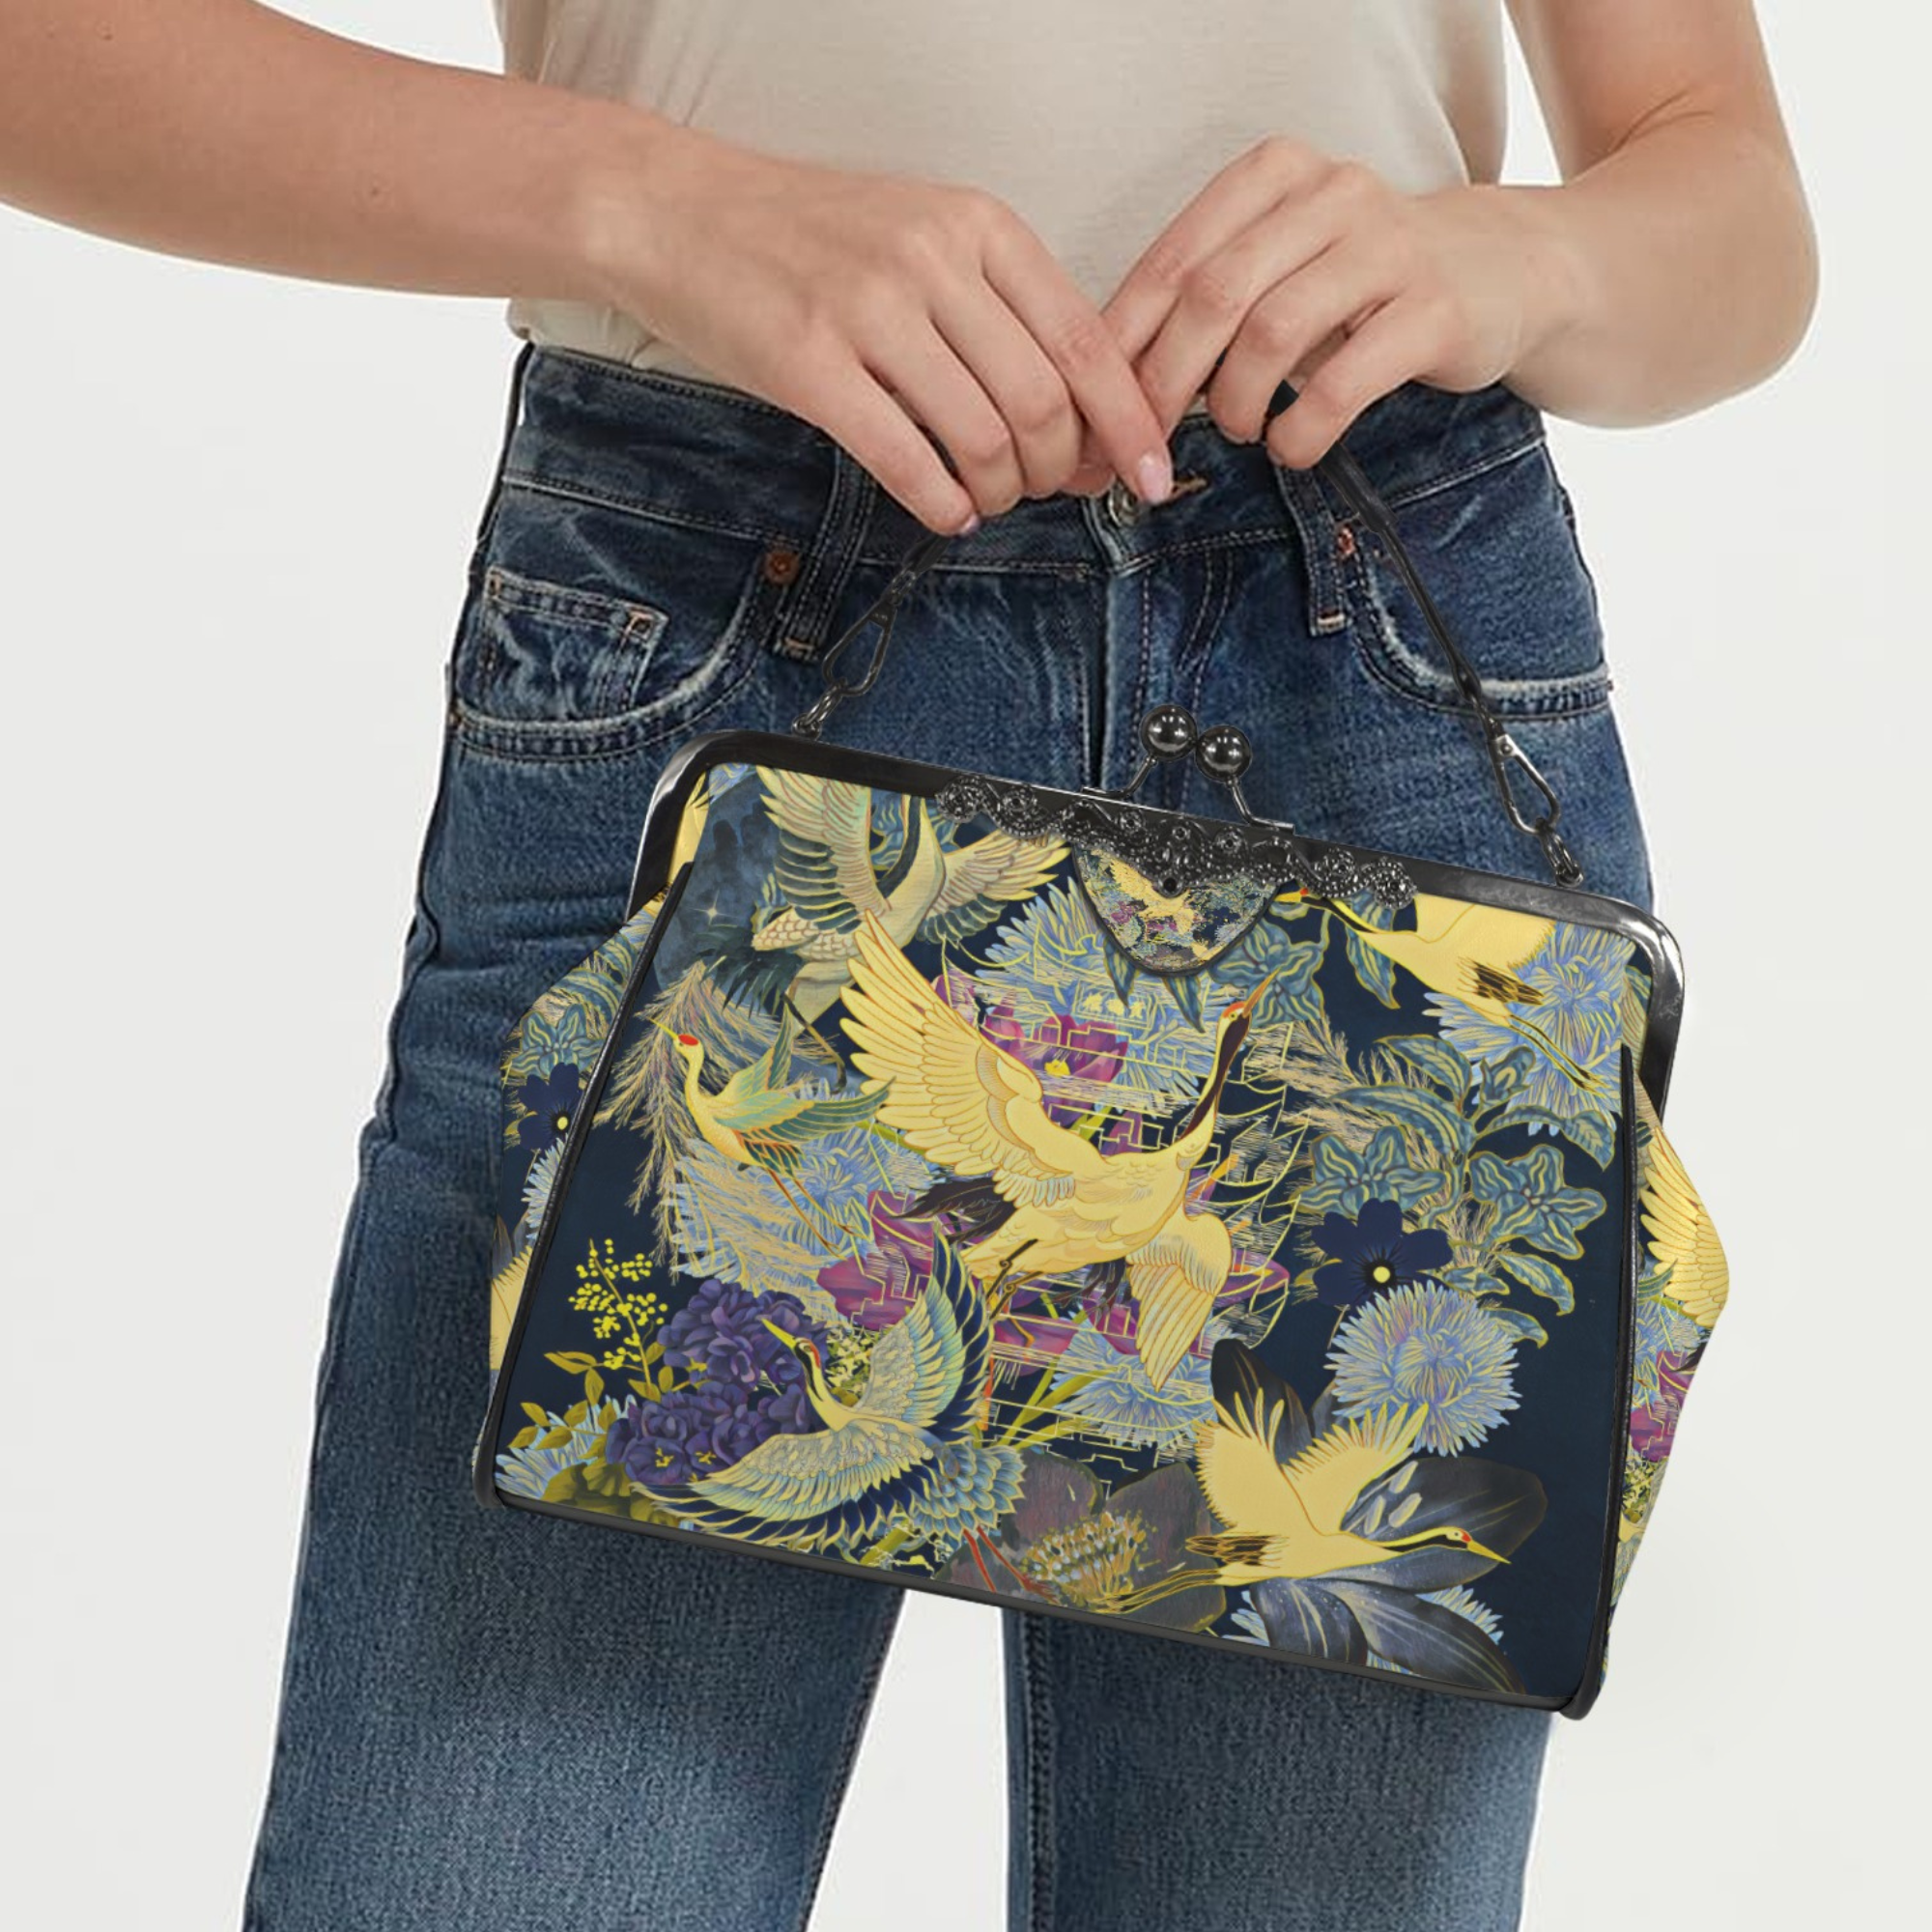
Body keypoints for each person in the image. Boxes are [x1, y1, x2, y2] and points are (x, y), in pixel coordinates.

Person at [0, 5, 1815, 1928]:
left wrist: (1513, 257)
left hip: (1363, 634)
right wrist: (651, 207)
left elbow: (1728, 193)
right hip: (732, 619)